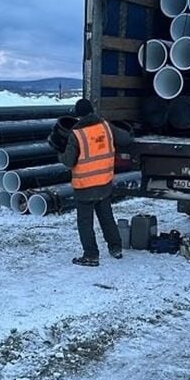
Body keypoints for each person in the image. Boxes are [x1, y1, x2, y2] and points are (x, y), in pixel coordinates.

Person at [58, 99, 133, 267]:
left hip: (85, 186)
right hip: (104, 183)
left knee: (85, 222)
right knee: (106, 217)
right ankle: (116, 248)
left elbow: (69, 161)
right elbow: (125, 139)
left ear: (78, 115)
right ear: (92, 111)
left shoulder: (76, 134)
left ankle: (91, 255)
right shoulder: (105, 126)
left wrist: (59, 154)